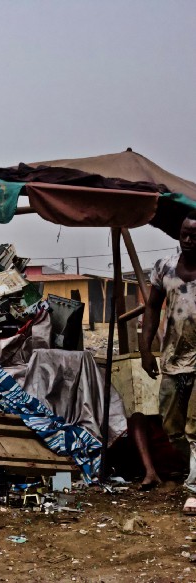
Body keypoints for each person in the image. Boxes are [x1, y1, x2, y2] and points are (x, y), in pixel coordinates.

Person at [140, 211, 196, 494]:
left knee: (195, 428)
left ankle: (195, 483)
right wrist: (145, 348)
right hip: (173, 361)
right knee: (172, 427)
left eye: (194, 236)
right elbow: (151, 307)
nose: (188, 240)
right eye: (184, 233)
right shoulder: (164, 267)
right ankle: (191, 470)